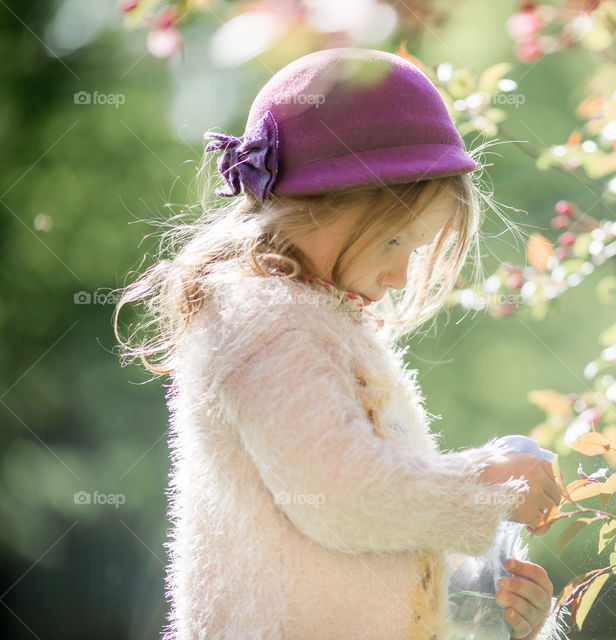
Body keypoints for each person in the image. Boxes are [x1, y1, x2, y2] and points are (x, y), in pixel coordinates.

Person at [112, 47, 569, 640]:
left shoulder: (317, 322)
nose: (402, 275)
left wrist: (493, 605)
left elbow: (377, 545)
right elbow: (340, 496)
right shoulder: (264, 322)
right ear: (317, 205)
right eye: (393, 242)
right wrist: (486, 483)